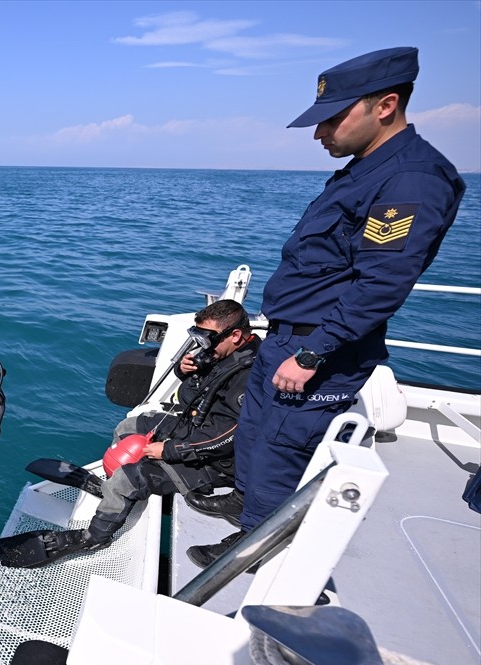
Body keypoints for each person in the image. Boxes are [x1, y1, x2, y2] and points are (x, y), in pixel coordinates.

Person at [186, 47, 466, 567]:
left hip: (321, 345)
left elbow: (381, 284)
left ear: (385, 105)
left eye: (332, 119)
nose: (320, 134)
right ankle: (245, 504)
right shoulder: (366, 169)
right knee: (254, 431)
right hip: (287, 336)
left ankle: (254, 548)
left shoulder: (411, 179)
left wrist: (314, 353)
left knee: (280, 447)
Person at [79, 300, 259, 549]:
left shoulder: (250, 374)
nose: (202, 346)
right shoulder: (224, 352)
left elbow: (228, 435)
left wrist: (169, 450)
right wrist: (183, 369)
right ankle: (114, 489)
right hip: (194, 428)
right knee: (128, 427)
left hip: (216, 460)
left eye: (208, 339)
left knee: (128, 479)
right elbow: (199, 390)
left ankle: (95, 538)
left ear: (236, 335)